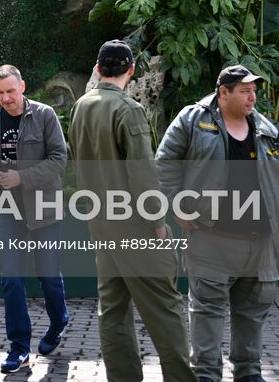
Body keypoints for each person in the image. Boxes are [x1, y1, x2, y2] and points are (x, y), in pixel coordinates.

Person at [157, 66, 279, 382]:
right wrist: (175, 205)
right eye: (244, 90)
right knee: (207, 311)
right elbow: (163, 166)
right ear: (223, 92)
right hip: (212, 237)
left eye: (254, 90)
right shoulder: (193, 121)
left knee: (253, 311)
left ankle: (249, 373)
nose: (252, 97)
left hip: (261, 242)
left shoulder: (265, 128)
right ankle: (207, 374)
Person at [69, 40, 193, 382]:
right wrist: (157, 224)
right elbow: (142, 173)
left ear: (97, 68)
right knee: (164, 308)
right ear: (131, 70)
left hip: (101, 224)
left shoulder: (81, 106)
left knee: (112, 311)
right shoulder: (128, 109)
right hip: (135, 226)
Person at [0, 64, 70, 372]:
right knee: (11, 279)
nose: (5, 98)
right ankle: (19, 348)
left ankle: (59, 321)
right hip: (7, 208)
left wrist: (23, 177)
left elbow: (59, 158)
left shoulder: (44, 116)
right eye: (0, 92)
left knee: (47, 277)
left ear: (23, 87)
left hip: (43, 208)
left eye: (10, 91)